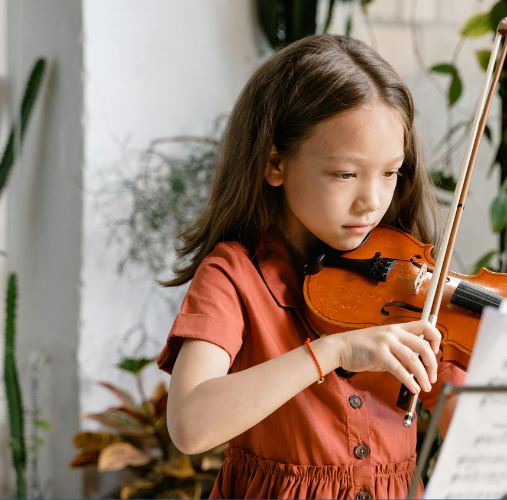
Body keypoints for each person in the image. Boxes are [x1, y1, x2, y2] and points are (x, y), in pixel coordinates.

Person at [156, 34, 464, 499]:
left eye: (390, 172)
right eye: (346, 174)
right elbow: (190, 426)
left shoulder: (406, 280)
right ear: (275, 162)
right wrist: (333, 352)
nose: (373, 201)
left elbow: (465, 419)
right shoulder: (234, 276)